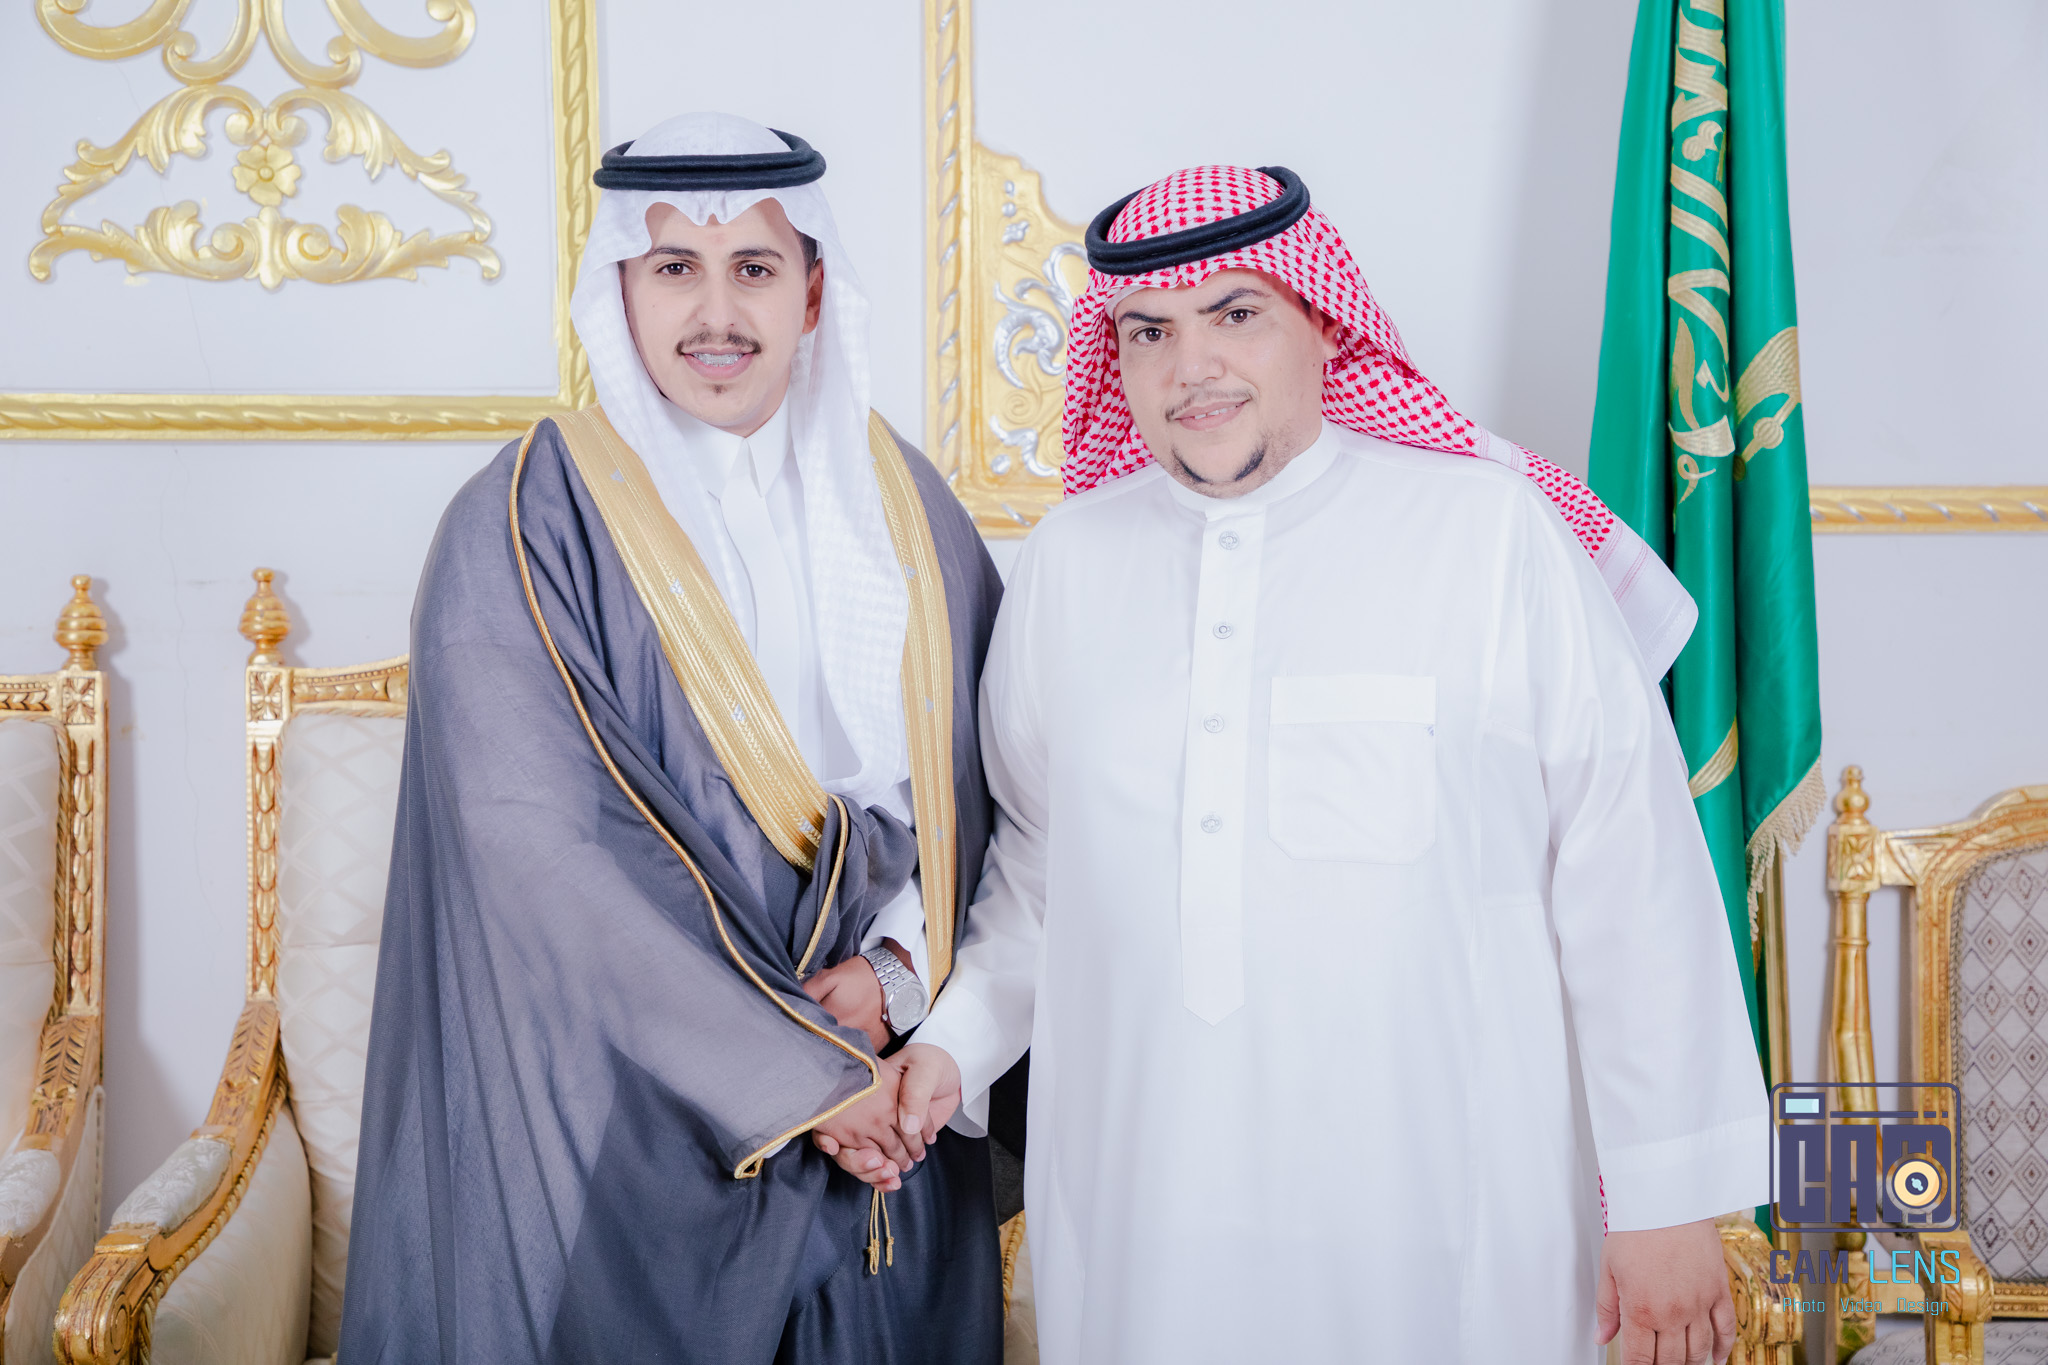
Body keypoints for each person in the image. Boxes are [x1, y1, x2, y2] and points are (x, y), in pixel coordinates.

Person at [862, 165, 1768, 1363]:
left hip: (1444, 1222)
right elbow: (1040, 873)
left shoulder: (1488, 534)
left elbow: (1630, 874)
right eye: (1149, 332)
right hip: (1143, 1220)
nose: (1191, 368)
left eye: (1234, 314)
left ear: (1322, 322)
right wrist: (952, 1045)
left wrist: (1663, 1199)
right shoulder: (1069, 564)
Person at [338, 113, 1003, 1364]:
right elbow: (533, 854)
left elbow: (985, 800)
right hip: (626, 1120)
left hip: (887, 1109)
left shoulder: (910, 509)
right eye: (674, 269)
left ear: (813, 292)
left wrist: (898, 976)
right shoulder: (524, 519)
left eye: (754, 267)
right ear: (620, 292)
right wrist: (797, 1076)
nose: (716, 314)